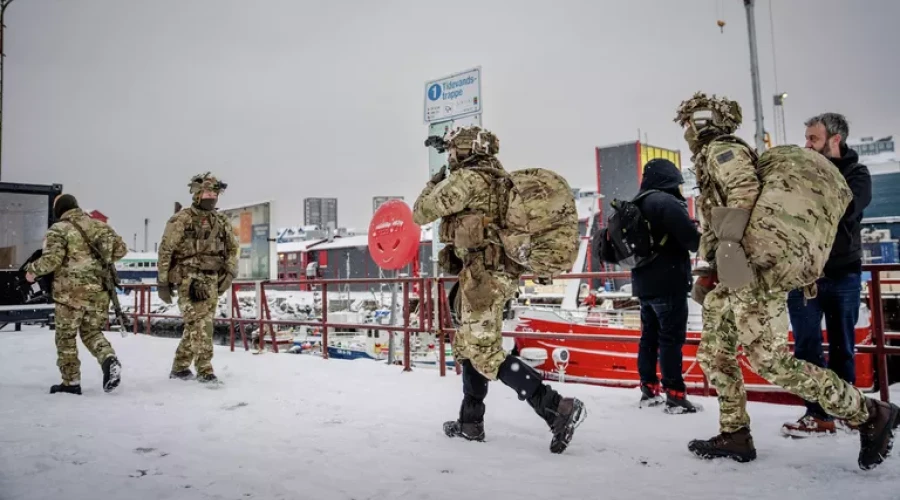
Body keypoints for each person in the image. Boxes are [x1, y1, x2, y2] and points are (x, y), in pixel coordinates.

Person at [675, 91, 898, 470]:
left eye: (689, 122)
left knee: (770, 361)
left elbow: (744, 192)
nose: (686, 130)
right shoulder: (715, 153)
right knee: (715, 352)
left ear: (700, 124)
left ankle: (868, 412)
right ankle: (736, 434)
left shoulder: (721, 149)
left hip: (751, 271)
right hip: (736, 271)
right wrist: (712, 269)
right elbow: (721, 213)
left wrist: (728, 260)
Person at [413, 126, 586, 454]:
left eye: (451, 151)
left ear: (463, 151)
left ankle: (556, 407)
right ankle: (470, 422)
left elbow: (419, 212)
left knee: (484, 352)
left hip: (485, 279)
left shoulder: (467, 181)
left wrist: (435, 181)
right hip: (492, 274)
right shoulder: (497, 179)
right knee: (468, 345)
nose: (449, 156)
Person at [781, 113, 873, 437]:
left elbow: (847, 207)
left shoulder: (857, 174)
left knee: (842, 347)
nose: (806, 144)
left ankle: (847, 410)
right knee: (806, 348)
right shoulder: (799, 173)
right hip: (803, 276)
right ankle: (817, 414)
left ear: (835, 140)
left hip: (843, 275)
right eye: (806, 138)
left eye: (813, 139)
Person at [598, 159, 701, 413]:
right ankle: (675, 395)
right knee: (671, 339)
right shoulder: (666, 203)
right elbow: (692, 241)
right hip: (669, 282)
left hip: (643, 285)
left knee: (649, 338)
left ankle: (648, 389)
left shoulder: (637, 202)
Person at [24, 194, 127, 395]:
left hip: (70, 294)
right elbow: (121, 250)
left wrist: (31, 271)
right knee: (91, 332)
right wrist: (97, 261)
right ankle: (108, 359)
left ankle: (71, 382)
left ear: (59, 210)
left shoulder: (59, 229)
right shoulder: (100, 227)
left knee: (66, 337)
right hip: (99, 292)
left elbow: (52, 260)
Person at [157, 173, 239, 384]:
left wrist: (229, 272)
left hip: (213, 279)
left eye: (214, 193)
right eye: (207, 192)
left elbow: (233, 248)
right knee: (201, 325)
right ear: (197, 194)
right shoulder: (182, 219)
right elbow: (166, 250)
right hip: (188, 278)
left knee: (199, 324)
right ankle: (205, 370)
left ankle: (180, 367)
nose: (211, 197)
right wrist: (162, 283)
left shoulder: (220, 221)